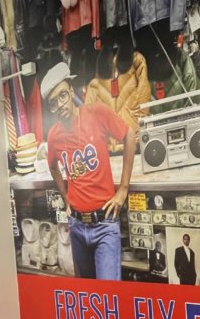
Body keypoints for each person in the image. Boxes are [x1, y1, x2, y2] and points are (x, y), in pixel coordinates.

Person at [42, 62, 136, 280]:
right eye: (53, 103)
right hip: (76, 225)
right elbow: (52, 165)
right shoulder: (54, 135)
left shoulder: (96, 113)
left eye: (62, 96)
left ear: (71, 91)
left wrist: (123, 189)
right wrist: (66, 196)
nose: (60, 105)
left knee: (107, 294)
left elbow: (129, 135)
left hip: (105, 224)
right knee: (85, 293)